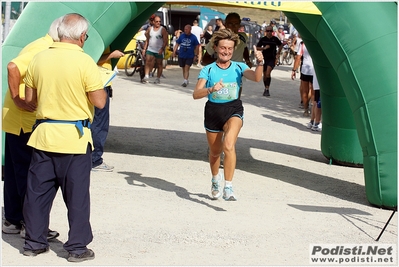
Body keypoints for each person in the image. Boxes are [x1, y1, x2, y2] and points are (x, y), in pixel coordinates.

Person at [22, 13, 106, 262]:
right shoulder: (85, 62)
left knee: (37, 193)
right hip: (75, 137)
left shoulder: (39, 58)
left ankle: (34, 243)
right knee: (77, 196)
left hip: (44, 134)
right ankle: (77, 247)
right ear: (82, 36)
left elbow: (29, 99)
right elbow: (99, 101)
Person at [2, 16, 63, 240]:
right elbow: (13, 67)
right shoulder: (43, 47)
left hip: (17, 119)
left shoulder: (41, 44)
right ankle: (31, 223)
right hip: (23, 119)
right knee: (31, 173)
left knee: (15, 171)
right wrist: (19, 99)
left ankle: (13, 219)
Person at [193, 28, 264, 201]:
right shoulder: (208, 70)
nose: (226, 52)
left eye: (230, 49)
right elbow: (196, 94)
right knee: (215, 152)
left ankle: (229, 187)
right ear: (216, 47)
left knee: (229, 145)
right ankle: (215, 180)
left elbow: (255, 78)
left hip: (233, 109)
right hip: (213, 111)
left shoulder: (239, 67)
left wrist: (260, 63)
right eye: (223, 48)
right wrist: (211, 89)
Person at [91, 48, 125, 171]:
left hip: (103, 82)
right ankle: (94, 159)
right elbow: (91, 57)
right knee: (99, 123)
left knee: (98, 122)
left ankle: (92, 158)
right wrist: (111, 55)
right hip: (98, 83)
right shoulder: (97, 39)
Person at [256, 25, 283, 97]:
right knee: (265, 74)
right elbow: (257, 47)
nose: (269, 32)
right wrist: (264, 48)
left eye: (270, 31)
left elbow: (280, 45)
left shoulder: (275, 39)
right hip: (264, 58)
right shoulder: (263, 39)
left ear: (272, 32)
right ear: (265, 32)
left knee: (268, 73)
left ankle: (267, 89)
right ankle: (266, 88)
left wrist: (278, 53)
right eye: (267, 31)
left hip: (272, 58)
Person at [142, 15, 168, 84]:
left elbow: (165, 40)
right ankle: (146, 76)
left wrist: (162, 49)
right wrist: (144, 49)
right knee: (147, 62)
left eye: (159, 21)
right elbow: (147, 39)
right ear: (153, 22)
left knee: (159, 64)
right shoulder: (150, 29)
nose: (158, 23)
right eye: (157, 21)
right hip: (150, 49)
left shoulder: (162, 30)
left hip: (159, 50)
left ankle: (158, 78)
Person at [291, 41, 314, 117]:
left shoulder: (303, 44)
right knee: (314, 91)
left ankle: (306, 110)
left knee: (305, 91)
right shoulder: (316, 42)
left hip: (305, 69)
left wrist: (294, 70)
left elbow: (298, 57)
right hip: (315, 70)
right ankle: (313, 110)